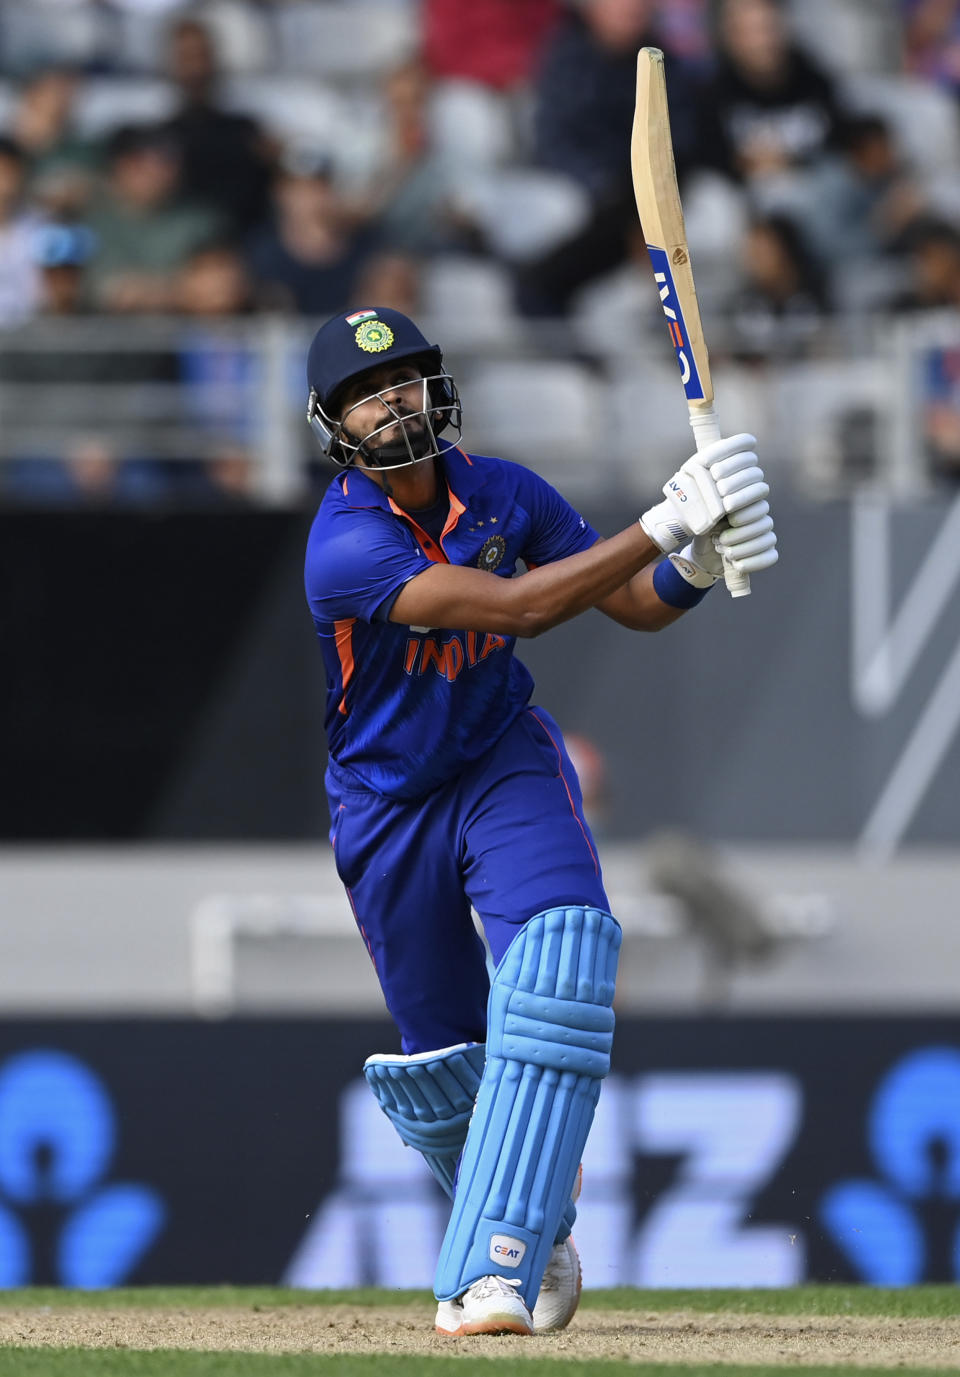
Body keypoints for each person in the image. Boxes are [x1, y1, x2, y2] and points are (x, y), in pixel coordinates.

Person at [302, 307, 777, 1336]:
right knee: (445, 1065)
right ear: (337, 424)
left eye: (411, 381)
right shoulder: (343, 545)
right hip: (386, 805)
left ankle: (491, 1270)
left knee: (561, 959)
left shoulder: (505, 491)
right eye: (370, 394)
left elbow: (632, 604)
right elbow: (519, 609)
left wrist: (690, 566)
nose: (398, 403)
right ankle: (543, 1219)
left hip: (499, 758)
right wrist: (661, 524)